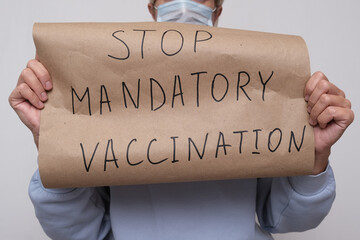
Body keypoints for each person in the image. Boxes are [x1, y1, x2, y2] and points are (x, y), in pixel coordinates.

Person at [8, 0, 354, 239]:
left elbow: (285, 219)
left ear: (217, 11)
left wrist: (315, 156)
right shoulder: (106, 89)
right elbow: (75, 231)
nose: (185, 6)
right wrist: (53, 138)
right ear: (152, 8)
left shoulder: (255, 88)